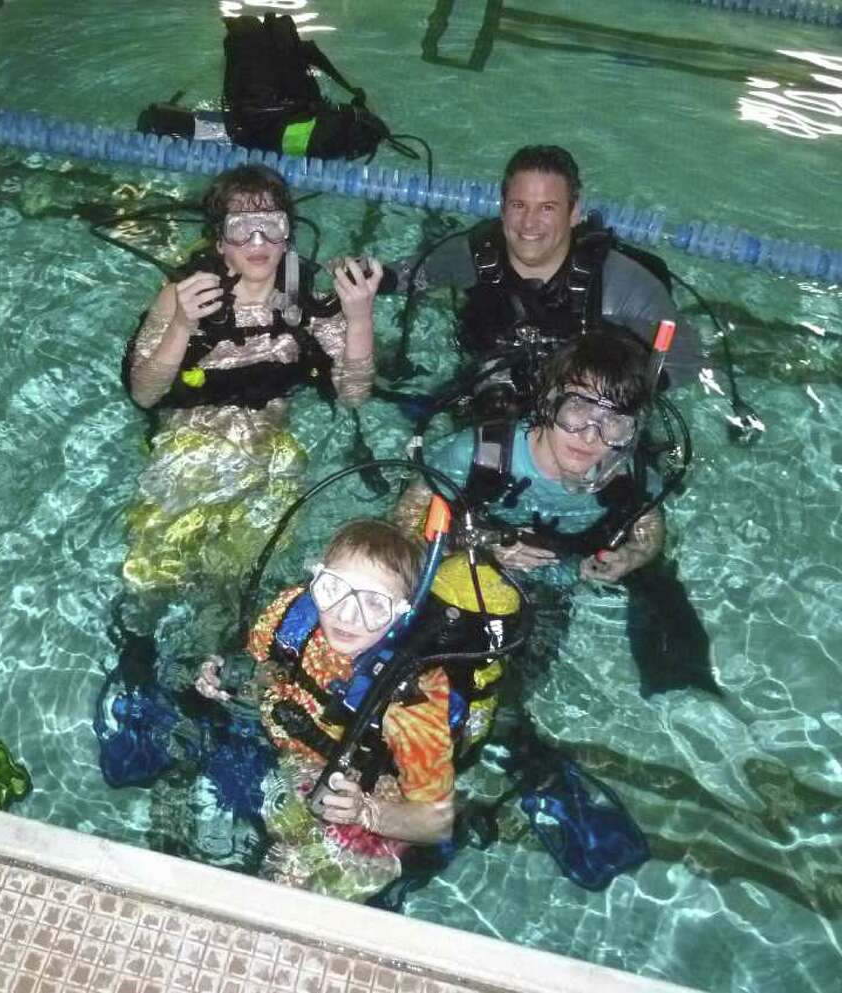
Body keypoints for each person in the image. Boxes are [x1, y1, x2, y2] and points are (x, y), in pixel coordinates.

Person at [196, 519, 508, 902]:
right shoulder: (293, 612)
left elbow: (436, 821)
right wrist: (221, 674)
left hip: (371, 784)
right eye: (334, 589)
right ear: (317, 581)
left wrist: (366, 812)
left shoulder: (413, 701)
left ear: (402, 614)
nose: (346, 615)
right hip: (297, 753)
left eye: (374, 604)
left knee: (297, 875)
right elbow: (266, 666)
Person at [395, 331, 715, 698]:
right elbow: (406, 522)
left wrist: (630, 557)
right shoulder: (480, 454)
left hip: (556, 579)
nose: (590, 436)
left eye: (614, 421)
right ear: (548, 402)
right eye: (578, 408)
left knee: (521, 684)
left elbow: (649, 527)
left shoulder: (631, 478)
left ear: (632, 429)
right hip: (468, 567)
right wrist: (479, 544)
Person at [122, 164, 382, 592]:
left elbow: (353, 396)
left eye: (271, 226)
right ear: (220, 240)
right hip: (187, 451)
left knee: (238, 584)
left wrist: (359, 318)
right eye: (241, 228)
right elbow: (145, 394)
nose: (257, 242)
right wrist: (182, 327)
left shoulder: (305, 299)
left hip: (268, 456)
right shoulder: (183, 295)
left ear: (288, 234)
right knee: (152, 581)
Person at [384, 145, 701, 396]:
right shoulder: (474, 256)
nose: (529, 223)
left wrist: (605, 390)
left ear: (574, 212)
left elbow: (684, 360)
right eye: (519, 205)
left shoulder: (619, 285)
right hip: (491, 391)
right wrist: (368, 279)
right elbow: (411, 276)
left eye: (547, 208)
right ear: (502, 206)